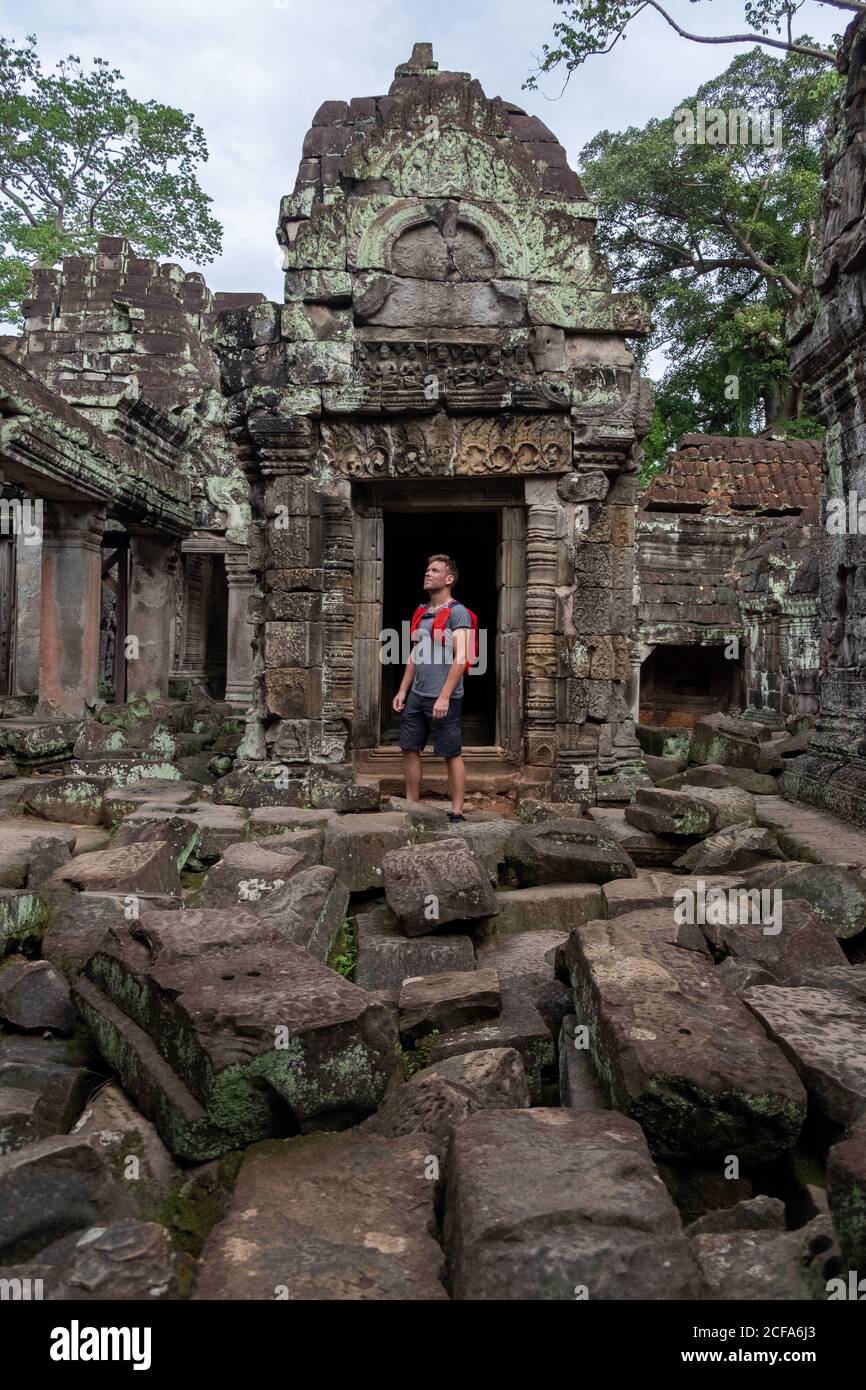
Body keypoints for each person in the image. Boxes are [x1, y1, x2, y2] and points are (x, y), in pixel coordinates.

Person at [393, 553, 471, 823]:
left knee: (451, 752)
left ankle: (457, 811)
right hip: (417, 695)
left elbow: (461, 657)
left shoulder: (458, 612)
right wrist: (403, 691)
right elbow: (415, 654)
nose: (427, 573)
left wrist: (444, 697)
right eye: (427, 570)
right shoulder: (422, 612)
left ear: (449, 579)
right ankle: (412, 805)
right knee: (409, 747)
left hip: (444, 697)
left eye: (435, 570)